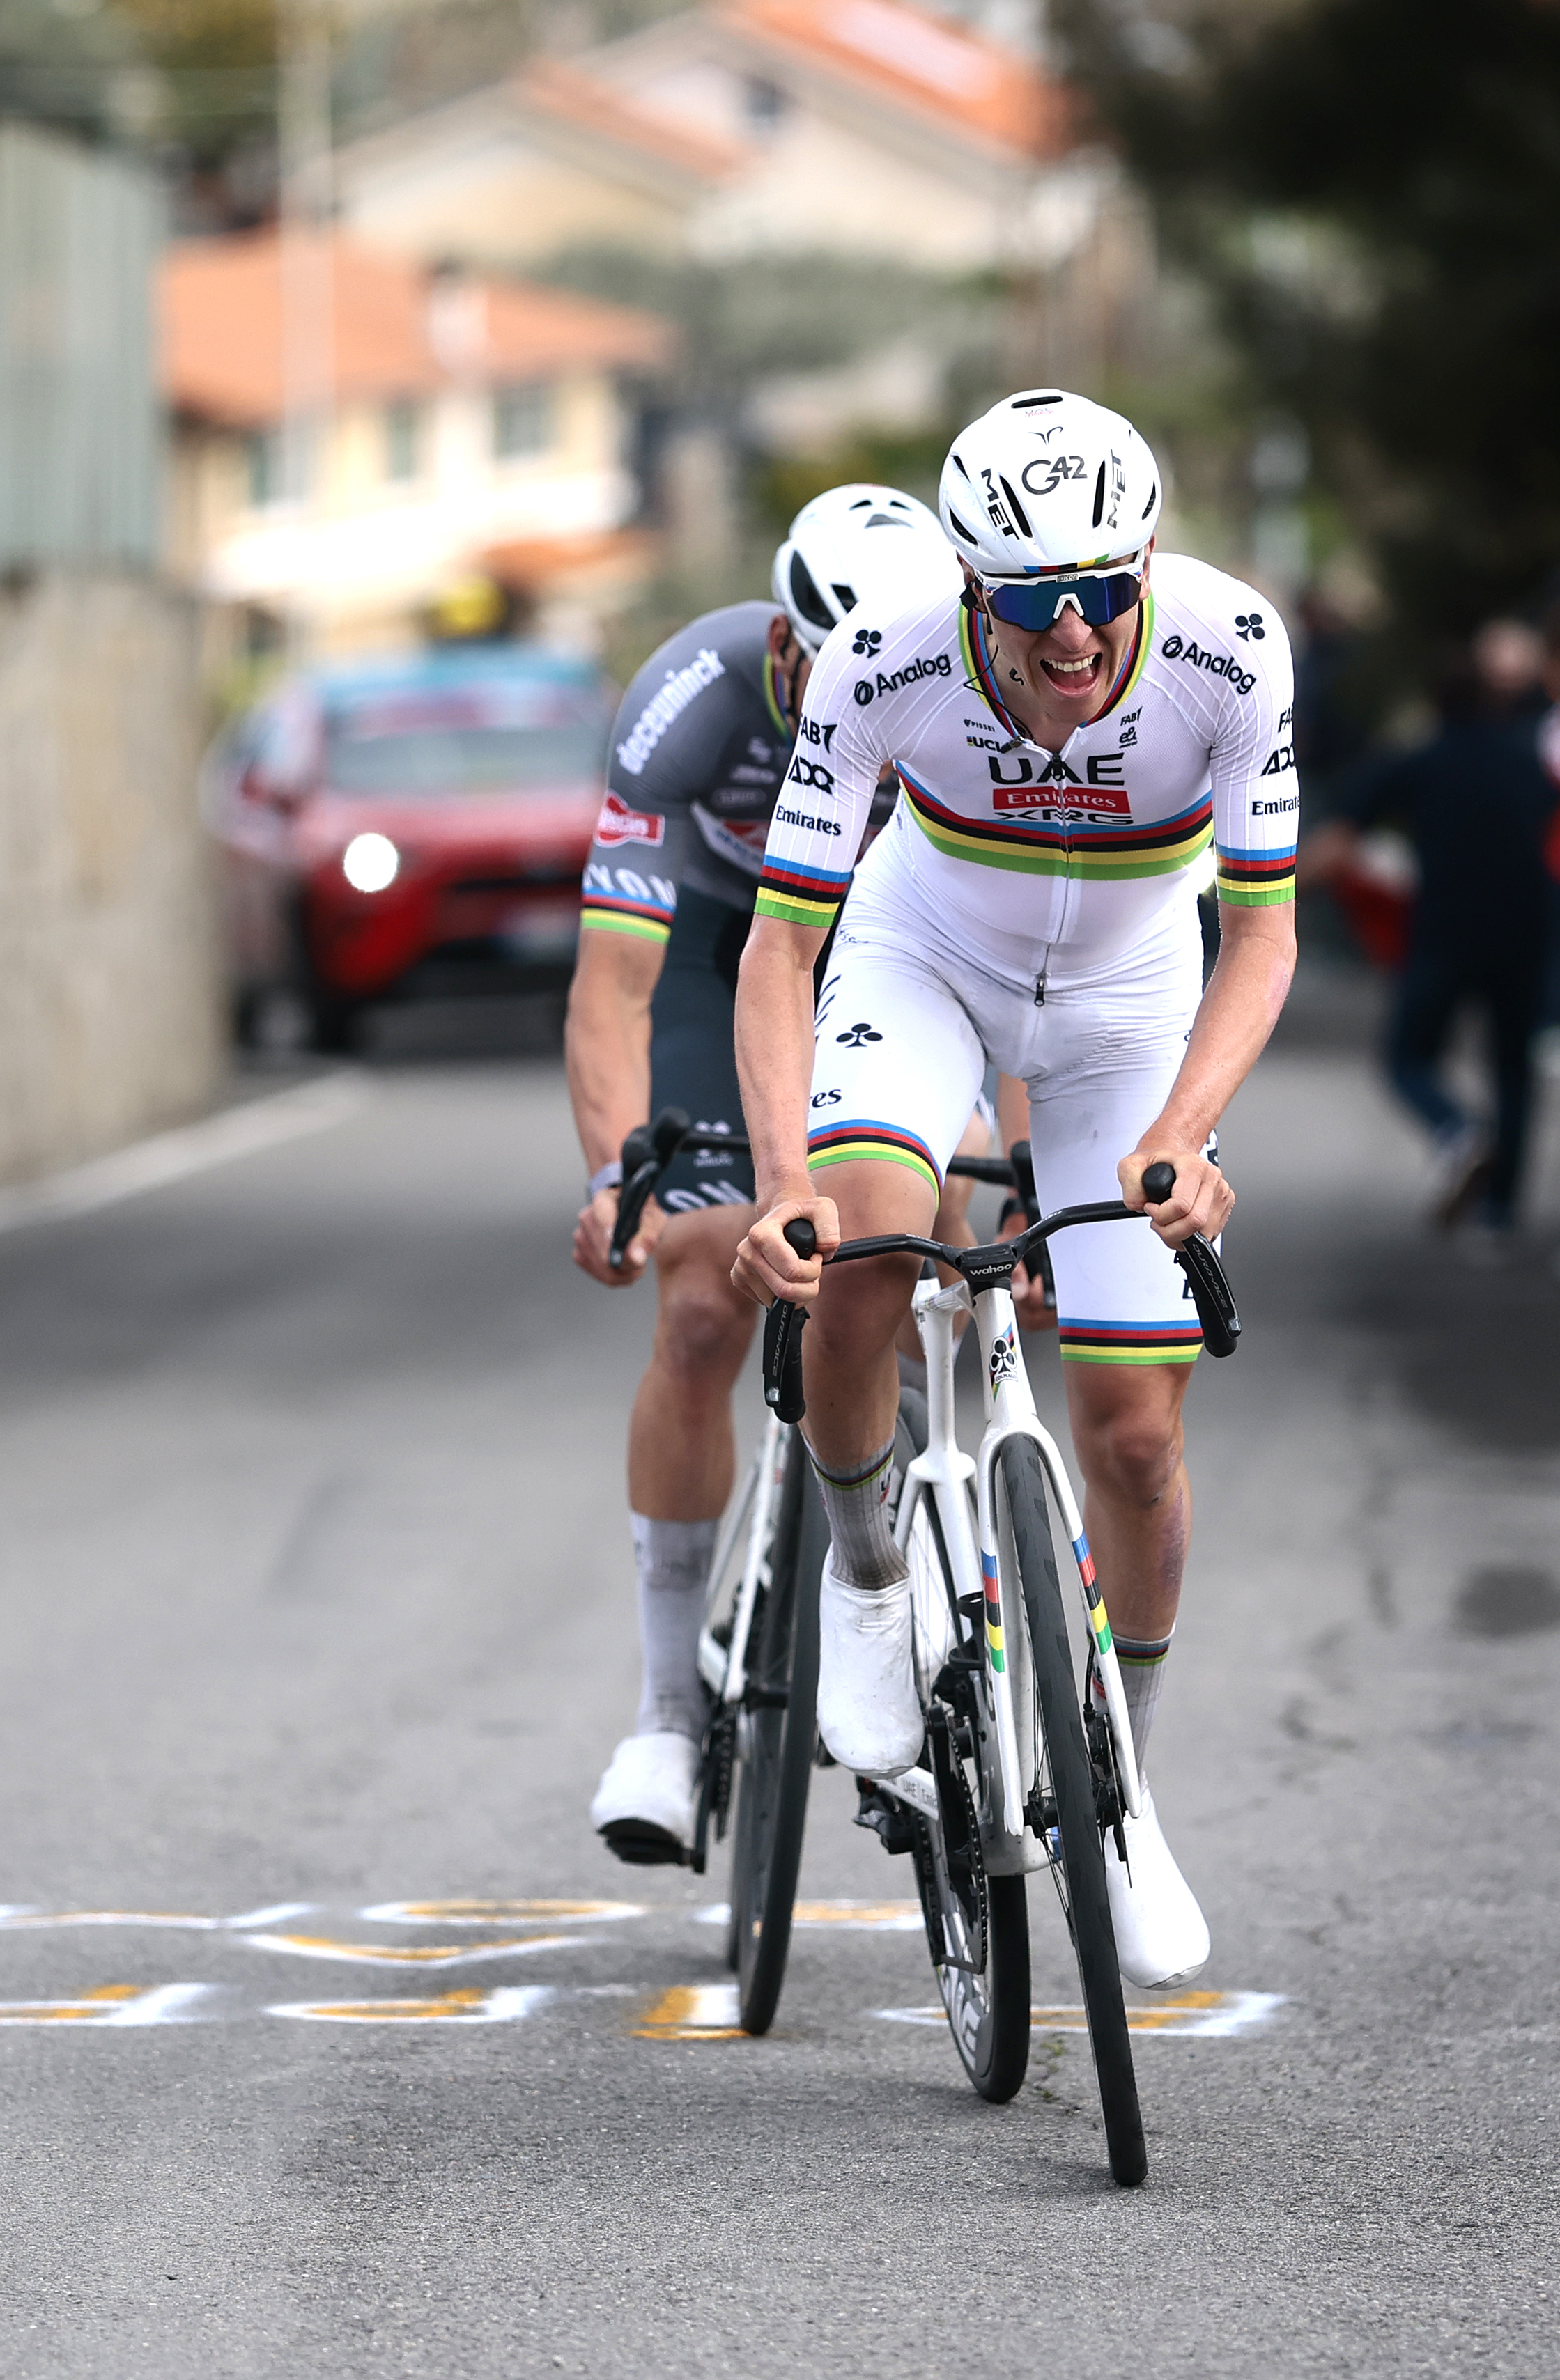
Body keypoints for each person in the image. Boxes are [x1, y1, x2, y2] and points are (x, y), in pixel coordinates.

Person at [732, 388, 1298, 1991]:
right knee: (857, 1249)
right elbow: (779, 949)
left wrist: (1184, 1134)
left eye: (1103, 588)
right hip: (923, 957)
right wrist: (778, 1179)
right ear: (969, 587)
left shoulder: (1229, 650)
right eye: (1033, 599)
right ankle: (865, 1580)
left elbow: (1263, 934)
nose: (1073, 633)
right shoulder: (880, 659)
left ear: (1146, 564)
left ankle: (1123, 1793)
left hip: (1126, 1000)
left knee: (1133, 1432)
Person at [568, 484, 957, 1865]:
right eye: (818, 661)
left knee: (932, 1254)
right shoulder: (690, 697)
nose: (840, 691)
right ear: (780, 639)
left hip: (896, 949)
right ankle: (668, 1716)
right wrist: (618, 1174)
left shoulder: (959, 696)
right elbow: (616, 987)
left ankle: (937, 1611)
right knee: (695, 1299)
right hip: (723, 943)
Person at [1335, 629, 1553, 1244]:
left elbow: (1343, 832)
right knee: (1512, 1069)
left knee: (1406, 1056)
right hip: (1523, 930)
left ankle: (1454, 1127)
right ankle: (1500, 1211)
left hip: (1445, 929)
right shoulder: (1525, 760)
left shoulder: (1418, 760)